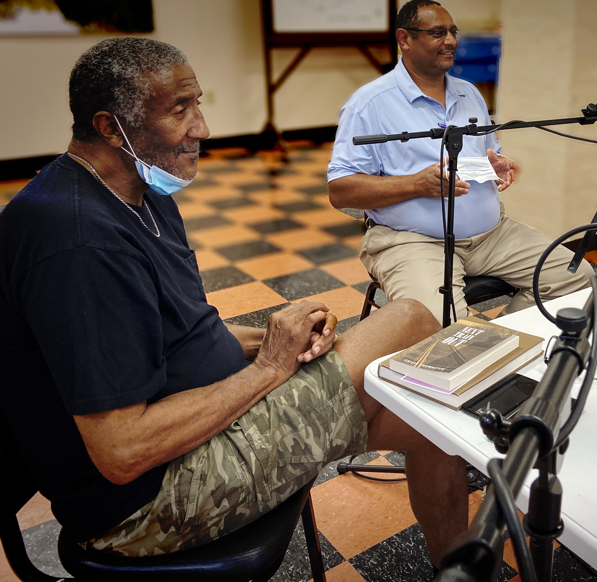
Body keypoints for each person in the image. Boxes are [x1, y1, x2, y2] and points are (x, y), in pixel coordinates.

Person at [0, 37, 467, 567]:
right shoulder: (76, 242)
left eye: (198, 103)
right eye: (180, 110)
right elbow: (123, 452)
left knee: (435, 426)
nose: (202, 128)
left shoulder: (141, 194)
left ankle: (457, 574)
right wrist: (270, 365)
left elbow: (182, 331)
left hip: (198, 429)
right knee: (407, 319)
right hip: (147, 504)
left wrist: (277, 340)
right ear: (111, 128)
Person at [328, 0, 593, 324]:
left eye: (453, 32)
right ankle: (477, 346)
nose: (451, 40)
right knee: (440, 325)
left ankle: (501, 344)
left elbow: (476, 159)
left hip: (491, 236)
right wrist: (415, 184)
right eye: (438, 32)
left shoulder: (469, 94)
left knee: (577, 278)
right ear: (404, 39)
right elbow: (340, 191)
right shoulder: (369, 104)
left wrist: (494, 167)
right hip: (411, 240)